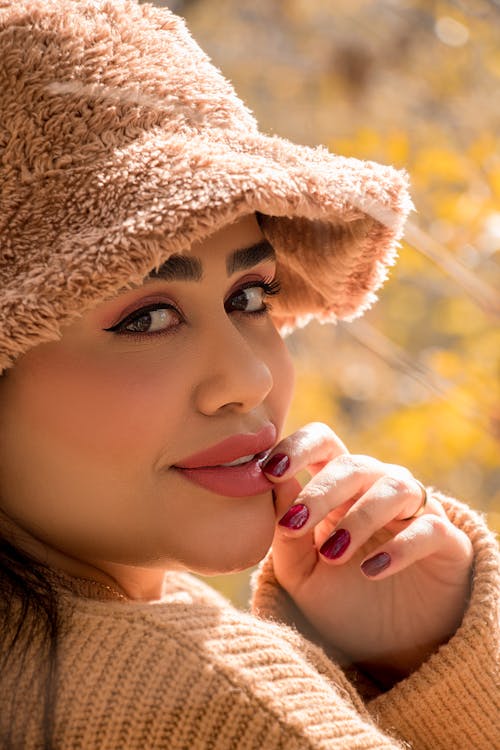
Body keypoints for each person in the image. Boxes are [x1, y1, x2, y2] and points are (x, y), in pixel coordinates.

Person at [0, 0, 498, 748]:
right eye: (146, 317)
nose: (248, 379)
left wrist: (403, 663)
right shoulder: (222, 703)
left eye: (249, 297)